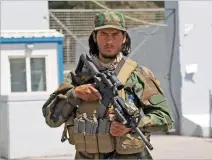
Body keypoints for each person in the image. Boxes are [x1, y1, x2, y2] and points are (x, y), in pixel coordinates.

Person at [42, 11, 174, 159]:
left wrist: (133, 124)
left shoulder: (138, 74)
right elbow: (51, 118)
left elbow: (165, 119)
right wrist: (75, 95)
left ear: (124, 38)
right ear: (94, 37)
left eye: (115, 35)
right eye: (104, 34)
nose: (109, 41)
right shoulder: (78, 77)